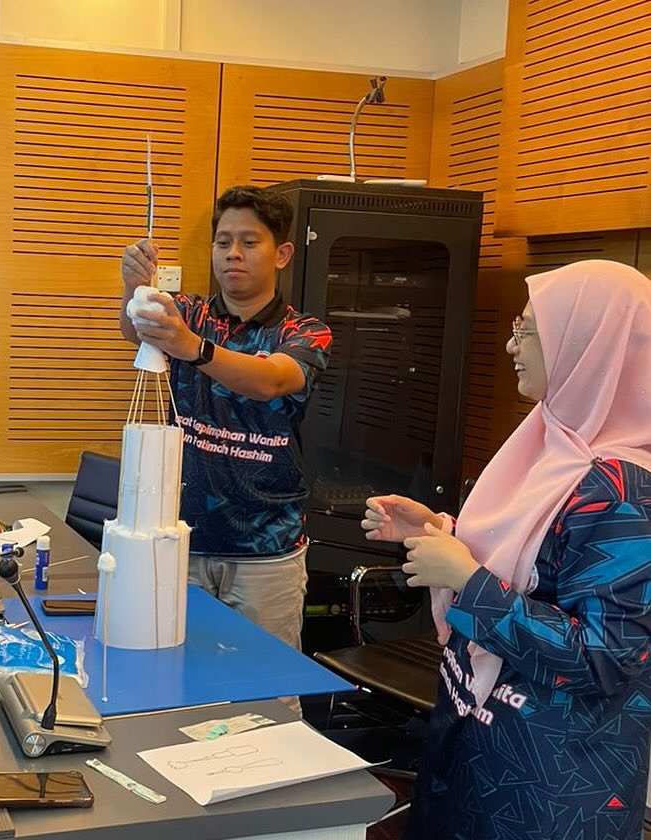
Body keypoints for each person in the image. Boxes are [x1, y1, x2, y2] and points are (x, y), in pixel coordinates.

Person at [361, 259, 651, 839]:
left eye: (528, 330)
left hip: (550, 785)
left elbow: (605, 659)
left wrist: (467, 581)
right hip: (479, 742)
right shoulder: (552, 439)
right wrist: (441, 533)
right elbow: (534, 561)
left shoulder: (624, 491)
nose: (512, 345)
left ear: (587, 344)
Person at [119, 185, 332, 655]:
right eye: (223, 242)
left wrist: (192, 348)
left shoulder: (304, 331)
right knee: (173, 670)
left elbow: (272, 380)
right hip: (182, 543)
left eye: (249, 242)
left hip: (266, 551)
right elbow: (136, 328)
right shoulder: (189, 313)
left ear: (282, 254)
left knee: (265, 682)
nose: (233, 253)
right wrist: (134, 288)